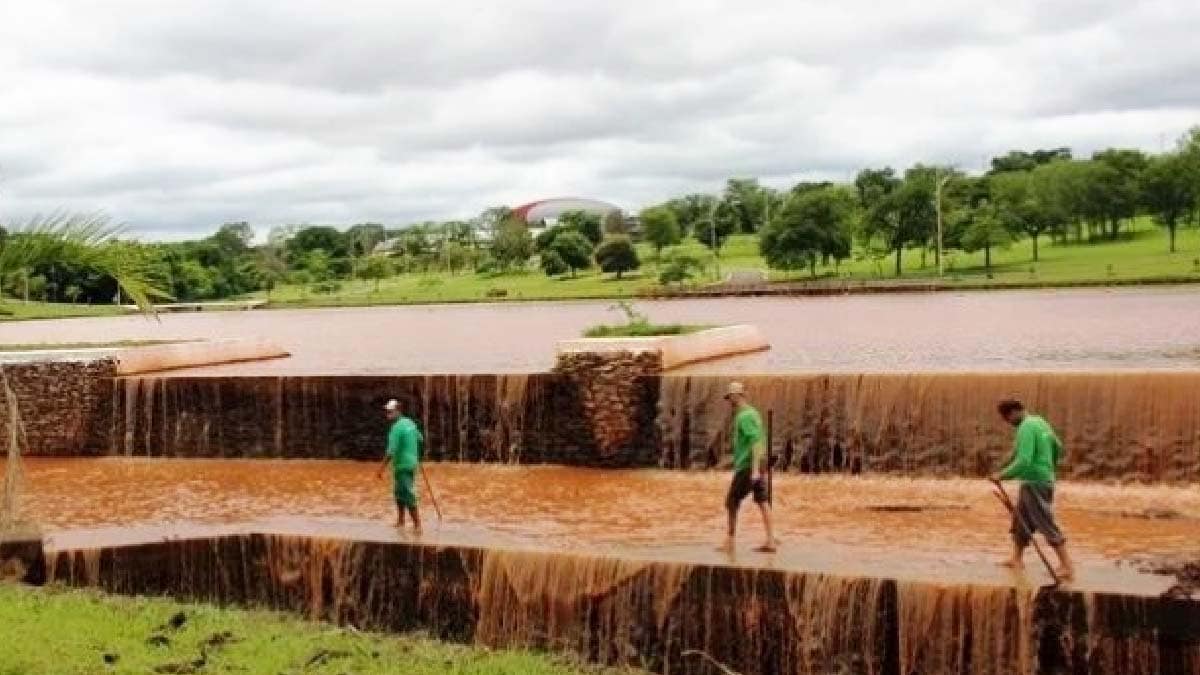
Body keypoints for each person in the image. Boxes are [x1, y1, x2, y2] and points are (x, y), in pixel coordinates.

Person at [992, 398, 1075, 580]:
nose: (1008, 423)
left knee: (1044, 522)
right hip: (1037, 479)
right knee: (1021, 521)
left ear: (1013, 412)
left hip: (1035, 482)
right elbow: (1057, 447)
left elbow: (1024, 460)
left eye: (1007, 419)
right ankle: (1017, 558)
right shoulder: (1040, 422)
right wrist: (1049, 468)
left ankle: (1067, 566)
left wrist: (1002, 476)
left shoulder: (1026, 427)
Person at [719, 381, 776, 553]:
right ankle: (771, 540)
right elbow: (757, 440)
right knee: (763, 501)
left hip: (748, 466)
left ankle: (729, 542)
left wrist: (753, 470)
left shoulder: (743, 417)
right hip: (758, 463)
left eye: (730, 397)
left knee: (731, 502)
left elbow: (755, 442)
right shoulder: (754, 413)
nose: (729, 401)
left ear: (737, 396)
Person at [376, 398, 424, 532]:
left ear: (398, 411)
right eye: (387, 411)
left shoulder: (396, 429)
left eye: (391, 412)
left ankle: (417, 525)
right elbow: (420, 439)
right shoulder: (410, 423)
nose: (388, 414)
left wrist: (381, 468)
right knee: (399, 493)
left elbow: (391, 451)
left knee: (407, 493)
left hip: (402, 465)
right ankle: (401, 520)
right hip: (411, 463)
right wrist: (416, 455)